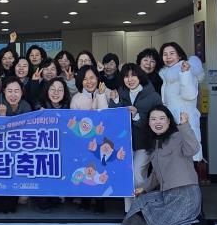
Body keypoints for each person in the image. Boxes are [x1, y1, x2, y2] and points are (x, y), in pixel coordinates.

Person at [122, 106, 214, 225]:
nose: (157, 122)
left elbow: (193, 149)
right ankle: (191, 223)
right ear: (149, 123)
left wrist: (184, 126)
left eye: (162, 118)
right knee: (141, 203)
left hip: (186, 193)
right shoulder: (154, 143)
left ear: (169, 121)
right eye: (153, 119)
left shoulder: (178, 136)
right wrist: (144, 189)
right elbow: (155, 174)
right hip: (168, 194)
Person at [108, 63, 163, 212]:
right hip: (124, 144)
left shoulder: (153, 96)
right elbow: (113, 119)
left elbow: (159, 120)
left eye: (133, 75)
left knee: (138, 174)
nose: (130, 79)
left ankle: (145, 207)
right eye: (126, 76)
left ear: (140, 76)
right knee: (128, 176)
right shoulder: (120, 93)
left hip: (144, 144)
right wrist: (115, 102)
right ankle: (131, 211)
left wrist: (137, 115)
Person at [0, 76, 33, 214]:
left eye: (16, 91)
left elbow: (28, 132)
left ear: (21, 92)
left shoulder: (26, 106)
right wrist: (2, 117)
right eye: (9, 91)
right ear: (4, 92)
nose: (13, 95)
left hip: (19, 149)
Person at [70, 65, 109, 213]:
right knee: (83, 169)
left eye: (92, 77)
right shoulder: (77, 98)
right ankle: (85, 200)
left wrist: (100, 95)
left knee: (100, 169)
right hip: (83, 141)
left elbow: (105, 115)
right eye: (85, 79)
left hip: (102, 141)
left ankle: (100, 202)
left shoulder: (107, 92)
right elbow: (74, 122)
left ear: (98, 78)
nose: (89, 82)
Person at [158, 42, 204, 161]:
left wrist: (185, 74)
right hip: (172, 123)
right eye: (165, 54)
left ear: (179, 56)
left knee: (186, 159)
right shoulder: (166, 75)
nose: (168, 57)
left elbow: (190, 95)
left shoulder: (187, 71)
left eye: (172, 53)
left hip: (185, 122)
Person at [34, 77, 72, 212]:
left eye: (60, 90)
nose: (56, 93)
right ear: (47, 91)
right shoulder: (39, 106)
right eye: (52, 89)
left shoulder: (69, 107)